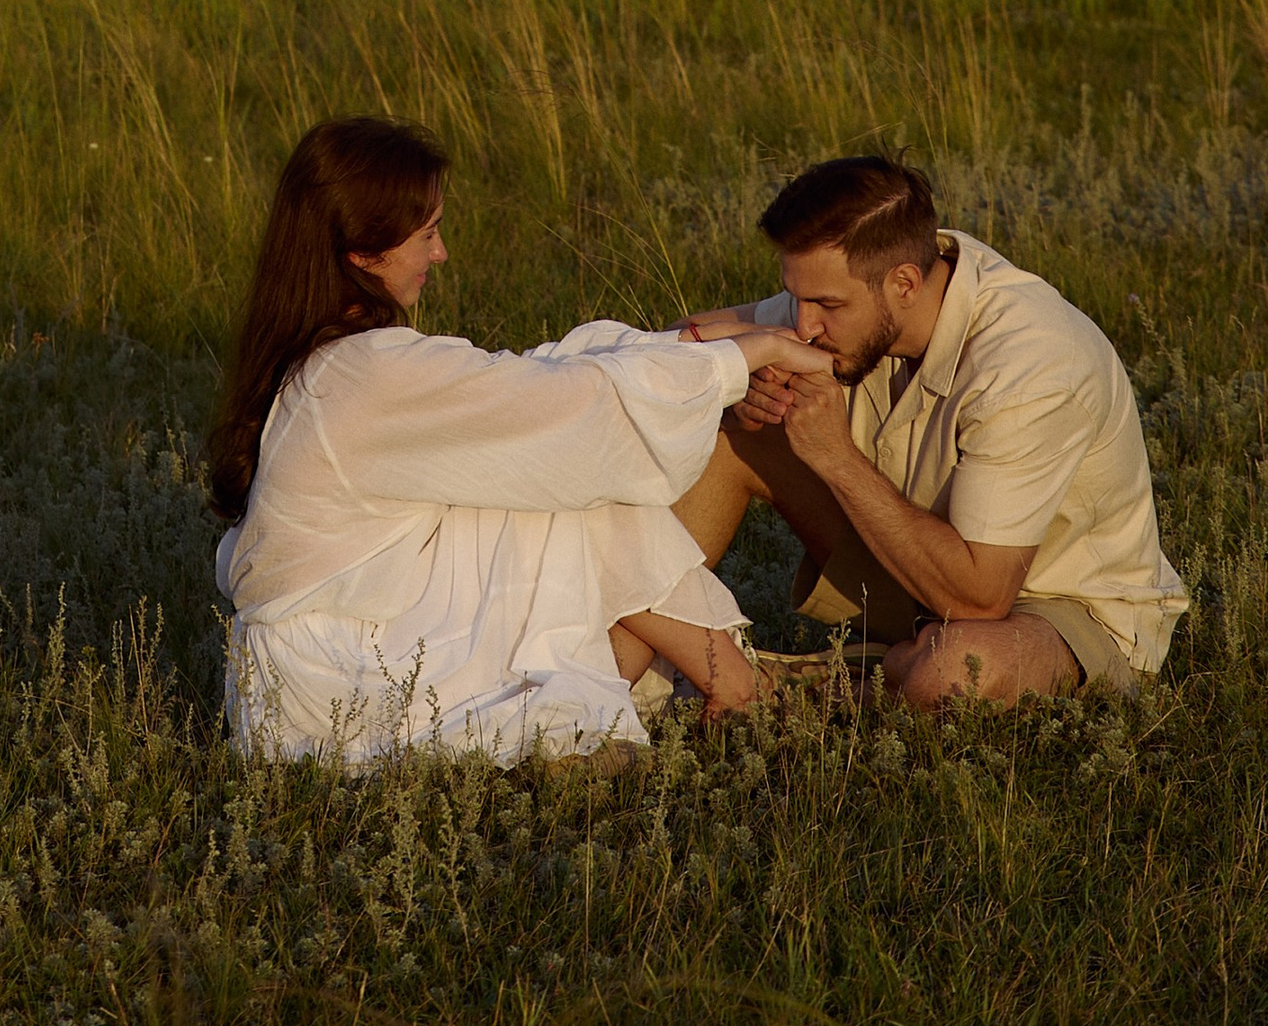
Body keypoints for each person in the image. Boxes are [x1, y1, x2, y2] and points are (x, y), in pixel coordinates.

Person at [210, 116, 834, 765]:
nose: (441, 253)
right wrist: (741, 356)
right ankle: (731, 684)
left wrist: (725, 354)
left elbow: (536, 379)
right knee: (567, 462)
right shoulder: (363, 375)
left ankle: (685, 685)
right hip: (343, 683)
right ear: (364, 253)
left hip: (331, 659)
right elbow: (556, 404)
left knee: (551, 450)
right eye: (427, 234)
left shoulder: (335, 364)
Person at [676, 152, 1185, 705]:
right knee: (729, 431)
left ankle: (819, 684)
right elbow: (679, 339)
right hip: (917, 567)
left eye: (826, 304)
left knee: (957, 671)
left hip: (1056, 608)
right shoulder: (863, 286)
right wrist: (737, 375)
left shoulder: (1032, 364)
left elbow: (982, 598)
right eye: (796, 297)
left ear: (904, 284)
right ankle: (604, 692)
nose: (803, 326)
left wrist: (835, 458)